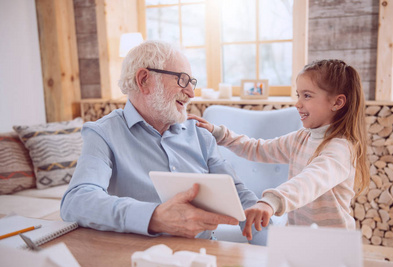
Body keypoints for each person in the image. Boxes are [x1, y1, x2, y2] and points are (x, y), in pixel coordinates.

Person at [60, 40, 268, 245]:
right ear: (144, 80)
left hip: (204, 256)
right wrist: (155, 217)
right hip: (139, 258)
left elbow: (239, 195)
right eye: (182, 80)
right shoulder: (103, 133)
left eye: (192, 82)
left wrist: (272, 245)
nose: (191, 93)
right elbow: (76, 201)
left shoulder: (200, 135)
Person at [189, 59, 369, 239]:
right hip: (299, 237)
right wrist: (219, 133)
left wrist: (271, 201)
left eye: (307, 95)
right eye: (298, 95)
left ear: (337, 103)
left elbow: (308, 182)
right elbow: (258, 149)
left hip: (332, 244)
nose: (298, 103)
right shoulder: (302, 137)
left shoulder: (341, 149)